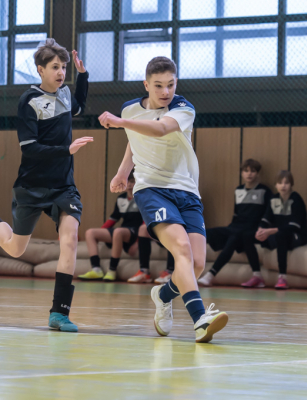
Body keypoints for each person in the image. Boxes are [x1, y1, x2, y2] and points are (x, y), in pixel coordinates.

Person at [0, 39, 91, 332]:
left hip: (63, 186)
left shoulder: (65, 93)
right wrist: (65, 150)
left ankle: (59, 313)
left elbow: (78, 106)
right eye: (55, 67)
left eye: (64, 67)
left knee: (69, 239)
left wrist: (82, 76)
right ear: (40, 70)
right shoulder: (29, 101)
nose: (61, 72)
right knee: (16, 249)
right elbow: (30, 148)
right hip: (32, 185)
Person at [98, 56, 228, 343]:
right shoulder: (131, 109)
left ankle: (163, 294)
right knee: (181, 248)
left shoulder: (183, 108)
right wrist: (123, 172)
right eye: (158, 85)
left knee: (195, 264)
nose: (165, 91)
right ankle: (200, 320)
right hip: (152, 189)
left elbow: (159, 129)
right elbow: (135, 138)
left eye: (170, 84)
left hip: (187, 190)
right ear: (146, 85)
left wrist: (119, 122)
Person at [198, 159, 272, 288]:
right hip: (236, 227)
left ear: (258, 173)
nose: (249, 174)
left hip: (252, 229)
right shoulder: (238, 190)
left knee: (234, 238)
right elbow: (236, 214)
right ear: (242, 173)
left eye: (253, 171)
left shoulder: (265, 191)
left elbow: (268, 213)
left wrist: (263, 228)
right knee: (206, 233)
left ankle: (210, 275)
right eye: (246, 171)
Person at [78, 172, 142, 282]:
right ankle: (96, 269)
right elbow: (113, 219)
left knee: (118, 232)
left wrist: (138, 241)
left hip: (135, 230)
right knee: (90, 232)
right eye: (128, 182)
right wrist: (102, 233)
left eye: (132, 182)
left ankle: (112, 270)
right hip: (123, 229)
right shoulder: (121, 198)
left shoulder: (141, 198)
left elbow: (146, 221)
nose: (130, 184)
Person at [255, 170, 307, 290]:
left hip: (296, 235)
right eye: (280, 183)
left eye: (286, 183)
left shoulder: (296, 199)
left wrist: (269, 231)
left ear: (291, 185)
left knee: (281, 235)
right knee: (248, 235)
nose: (283, 186)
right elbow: (265, 219)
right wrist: (260, 230)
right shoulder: (273, 199)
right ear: (276, 185)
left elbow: (294, 226)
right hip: (278, 234)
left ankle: (282, 277)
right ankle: (256, 275)